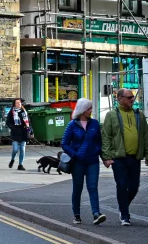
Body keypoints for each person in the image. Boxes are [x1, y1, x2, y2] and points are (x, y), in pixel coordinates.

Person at [100, 89, 148, 226]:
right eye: (129, 97)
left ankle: (123, 207)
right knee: (121, 185)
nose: (132, 100)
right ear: (120, 99)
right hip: (118, 157)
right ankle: (125, 216)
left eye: (133, 97)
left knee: (134, 187)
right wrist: (106, 157)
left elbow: (145, 136)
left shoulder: (140, 115)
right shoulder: (111, 115)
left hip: (135, 157)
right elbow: (106, 137)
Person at [62, 98, 106, 226]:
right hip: (78, 163)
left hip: (92, 161)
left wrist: (103, 156)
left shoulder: (95, 123)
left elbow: (99, 142)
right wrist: (74, 155)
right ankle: (76, 215)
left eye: (91, 108)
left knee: (93, 188)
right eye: (88, 108)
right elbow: (64, 144)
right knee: (78, 188)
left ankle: (96, 214)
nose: (91, 111)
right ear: (82, 110)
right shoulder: (72, 125)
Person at [7, 98, 31, 170]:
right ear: (14, 104)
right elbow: (7, 122)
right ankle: (12, 159)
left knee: (22, 149)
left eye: (20, 103)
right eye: (17, 103)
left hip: (24, 132)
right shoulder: (12, 112)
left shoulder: (24, 112)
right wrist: (13, 128)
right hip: (15, 133)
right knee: (15, 149)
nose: (19, 104)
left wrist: (31, 131)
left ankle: (20, 165)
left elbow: (28, 123)